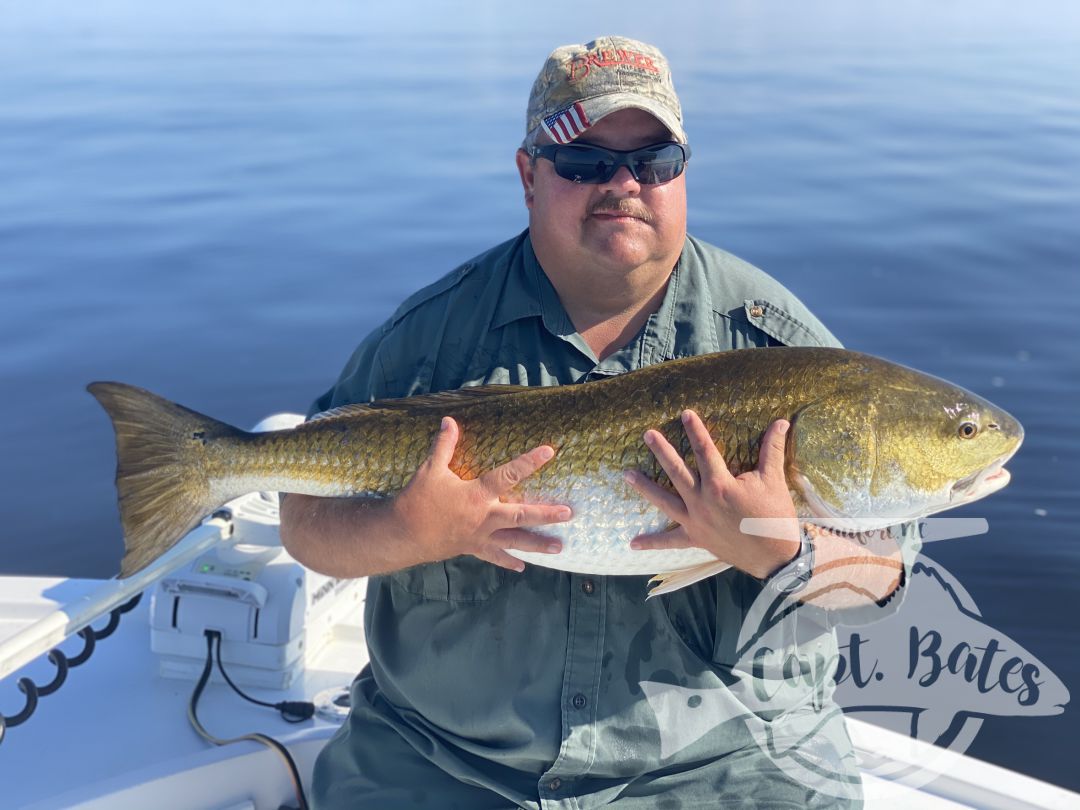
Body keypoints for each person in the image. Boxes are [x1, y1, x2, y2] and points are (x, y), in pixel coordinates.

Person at [281, 35, 920, 809]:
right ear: (528, 176)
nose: (622, 184)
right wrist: (409, 532)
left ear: (683, 173)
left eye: (652, 161)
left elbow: (887, 575)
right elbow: (304, 520)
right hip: (444, 763)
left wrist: (781, 549)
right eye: (584, 162)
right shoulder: (427, 344)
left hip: (727, 772)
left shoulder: (784, 351)